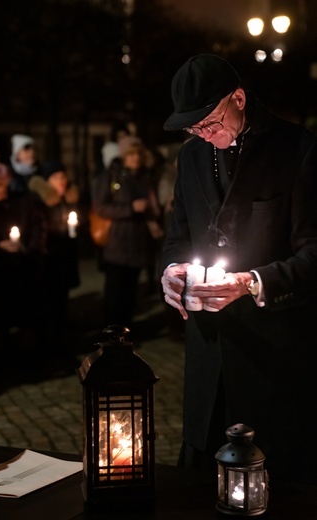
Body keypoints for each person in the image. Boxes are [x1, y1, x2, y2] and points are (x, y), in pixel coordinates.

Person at [160, 53, 317, 483]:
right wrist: (170, 271)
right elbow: (177, 236)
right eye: (195, 128)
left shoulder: (298, 149)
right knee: (196, 486)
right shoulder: (191, 157)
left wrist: (252, 282)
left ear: (240, 98)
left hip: (274, 358)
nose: (206, 135)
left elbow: (313, 255)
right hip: (209, 354)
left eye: (211, 122)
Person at [0, 162, 47, 353]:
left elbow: (36, 226)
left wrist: (30, 250)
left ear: (6, 183)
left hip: (24, 266)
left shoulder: (22, 202)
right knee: (0, 312)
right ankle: (3, 349)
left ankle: (28, 349)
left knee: (26, 310)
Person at [93, 135, 162, 332]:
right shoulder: (112, 176)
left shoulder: (145, 177)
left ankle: (126, 331)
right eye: (131, 154)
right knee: (115, 292)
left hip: (139, 242)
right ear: (124, 155)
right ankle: (111, 333)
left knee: (130, 291)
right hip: (117, 242)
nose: (135, 158)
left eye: (138, 153)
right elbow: (100, 206)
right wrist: (130, 208)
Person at [29, 160, 80, 350]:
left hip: (64, 256)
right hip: (48, 258)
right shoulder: (39, 201)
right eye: (56, 178)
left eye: (63, 177)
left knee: (61, 298)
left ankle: (60, 336)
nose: (61, 181)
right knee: (47, 301)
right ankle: (47, 343)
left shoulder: (67, 199)